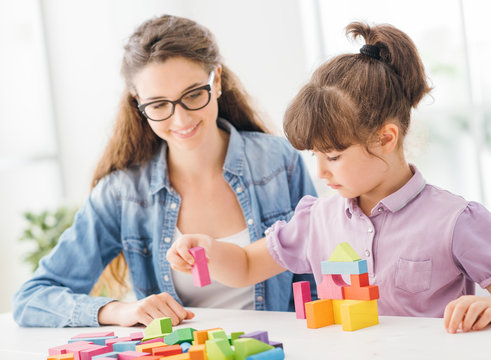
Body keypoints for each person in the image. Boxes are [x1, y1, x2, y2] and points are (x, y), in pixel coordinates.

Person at [168, 21, 491, 334]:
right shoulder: (318, 220)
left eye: (333, 155)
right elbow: (248, 265)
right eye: (315, 155)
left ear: (386, 138)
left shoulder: (456, 220)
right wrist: (208, 250)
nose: (321, 171)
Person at [12, 15, 317, 327]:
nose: (181, 120)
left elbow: (319, 277)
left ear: (217, 80)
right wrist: (122, 311)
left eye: (194, 94)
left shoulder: (278, 162)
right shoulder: (123, 193)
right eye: (158, 105)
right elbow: (33, 298)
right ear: (138, 103)